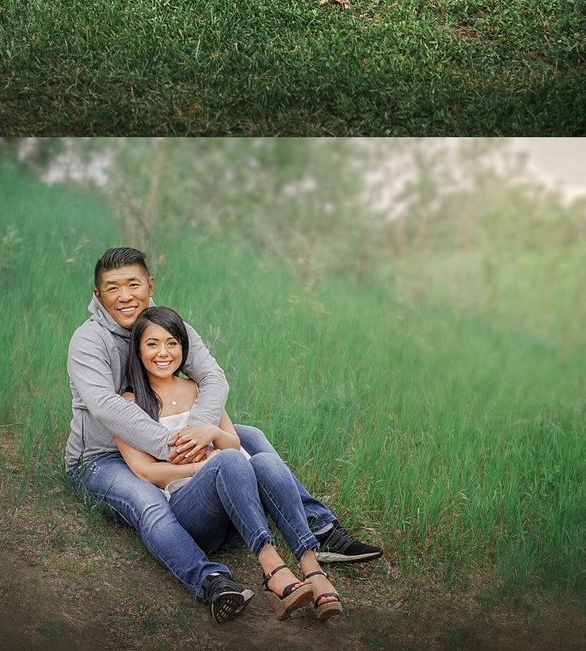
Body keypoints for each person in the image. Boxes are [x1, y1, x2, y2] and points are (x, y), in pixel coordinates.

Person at [64, 247, 380, 623]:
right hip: (103, 457)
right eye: (112, 288)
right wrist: (181, 449)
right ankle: (211, 579)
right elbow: (107, 408)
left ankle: (320, 527)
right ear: (98, 296)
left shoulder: (166, 325)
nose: (124, 296)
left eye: (133, 285)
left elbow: (212, 378)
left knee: (254, 440)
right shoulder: (89, 342)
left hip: (177, 435)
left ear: (150, 286)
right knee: (148, 501)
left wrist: (200, 430)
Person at [113, 306, 342, 622]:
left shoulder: (198, 389)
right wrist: (201, 468)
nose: (163, 352)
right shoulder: (129, 403)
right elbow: (145, 471)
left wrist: (212, 431)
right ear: (138, 349)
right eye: (152, 344)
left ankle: (311, 566)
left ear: (183, 346)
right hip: (193, 513)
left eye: (172, 343)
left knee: (265, 461)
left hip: (239, 512)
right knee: (230, 461)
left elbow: (233, 443)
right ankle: (272, 568)